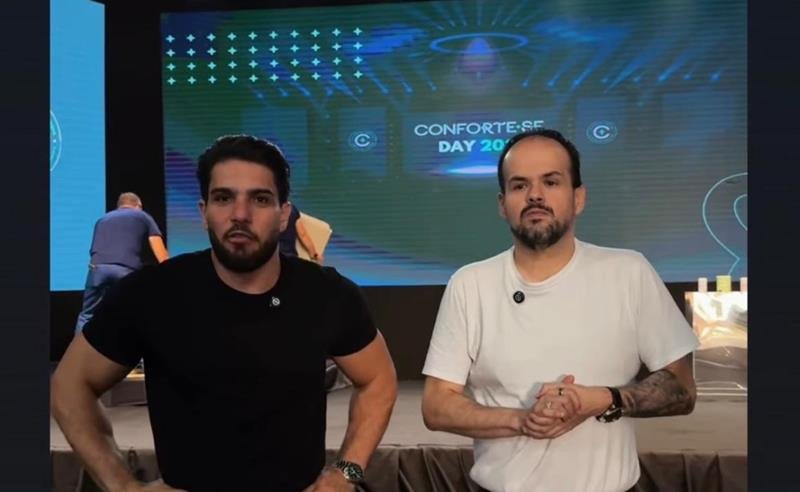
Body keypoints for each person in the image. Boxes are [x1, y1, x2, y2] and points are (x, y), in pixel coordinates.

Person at [51, 135, 398, 491]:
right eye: (223, 198)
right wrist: (122, 486)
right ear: (204, 212)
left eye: (260, 199)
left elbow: (378, 380)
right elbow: (70, 385)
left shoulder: (326, 294)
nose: (240, 215)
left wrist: (346, 474)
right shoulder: (152, 293)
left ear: (284, 216)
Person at [421, 128, 699, 492]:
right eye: (519, 185)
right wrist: (524, 421)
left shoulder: (629, 272)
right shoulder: (470, 284)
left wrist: (602, 400)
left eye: (551, 182)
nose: (535, 195)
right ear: (502, 204)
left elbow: (682, 387)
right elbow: (436, 406)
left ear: (578, 197)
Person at [75, 192, 168, 332]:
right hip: (124, 270)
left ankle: (77, 346)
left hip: (97, 269)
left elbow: (93, 249)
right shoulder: (142, 216)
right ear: (138, 206)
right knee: (135, 313)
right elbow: (158, 249)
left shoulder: (102, 219)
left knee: (87, 315)